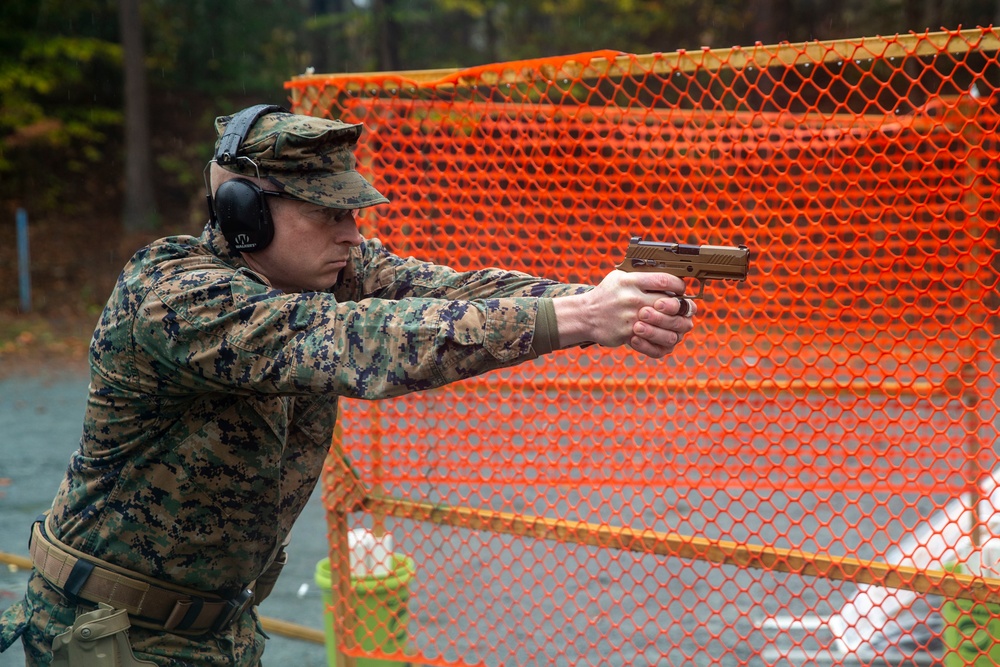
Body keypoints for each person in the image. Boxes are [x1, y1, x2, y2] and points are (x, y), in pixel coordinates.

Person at [0, 104, 696, 666]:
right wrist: (580, 317)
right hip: (109, 635)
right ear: (247, 212)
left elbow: (455, 292)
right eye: (331, 214)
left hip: (215, 631)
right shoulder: (175, 294)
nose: (354, 235)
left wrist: (611, 303)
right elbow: (357, 343)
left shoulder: (322, 267)